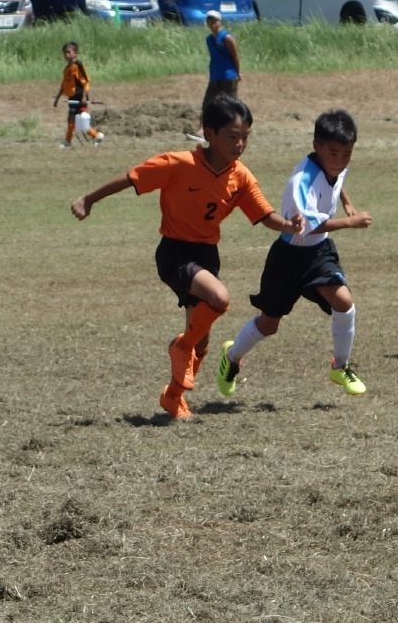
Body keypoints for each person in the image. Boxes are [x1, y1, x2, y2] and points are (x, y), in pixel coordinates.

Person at [70, 94, 302, 420]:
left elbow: (264, 214)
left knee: (202, 341)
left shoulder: (241, 177)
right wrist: (89, 198)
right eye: (232, 137)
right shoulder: (178, 164)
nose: (239, 144)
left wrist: (287, 225)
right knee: (219, 299)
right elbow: (131, 178)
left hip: (207, 256)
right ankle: (180, 347)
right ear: (209, 133)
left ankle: (173, 397)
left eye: (245, 137)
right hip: (175, 253)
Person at [217, 109, 372, 398]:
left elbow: (338, 178)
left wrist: (347, 202)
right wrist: (350, 222)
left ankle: (340, 366)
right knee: (269, 324)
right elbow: (308, 228)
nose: (340, 161)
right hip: (288, 258)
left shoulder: (335, 163)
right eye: (334, 154)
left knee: (344, 302)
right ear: (317, 147)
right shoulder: (302, 182)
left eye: (347, 154)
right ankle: (232, 357)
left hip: (319, 252)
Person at [53, 41, 104, 149]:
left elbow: (85, 81)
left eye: (69, 52)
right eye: (65, 53)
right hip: (72, 97)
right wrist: (57, 98)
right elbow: (64, 84)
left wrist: (84, 97)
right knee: (73, 120)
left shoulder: (78, 66)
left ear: (75, 53)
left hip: (80, 97)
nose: (67, 55)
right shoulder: (66, 69)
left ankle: (96, 136)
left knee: (80, 121)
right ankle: (69, 141)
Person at [202, 11, 240, 114]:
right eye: (209, 22)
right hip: (215, 76)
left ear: (220, 22)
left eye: (214, 21)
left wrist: (237, 73)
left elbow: (235, 56)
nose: (212, 24)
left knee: (230, 106)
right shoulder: (209, 39)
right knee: (208, 105)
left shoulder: (227, 37)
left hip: (228, 76)